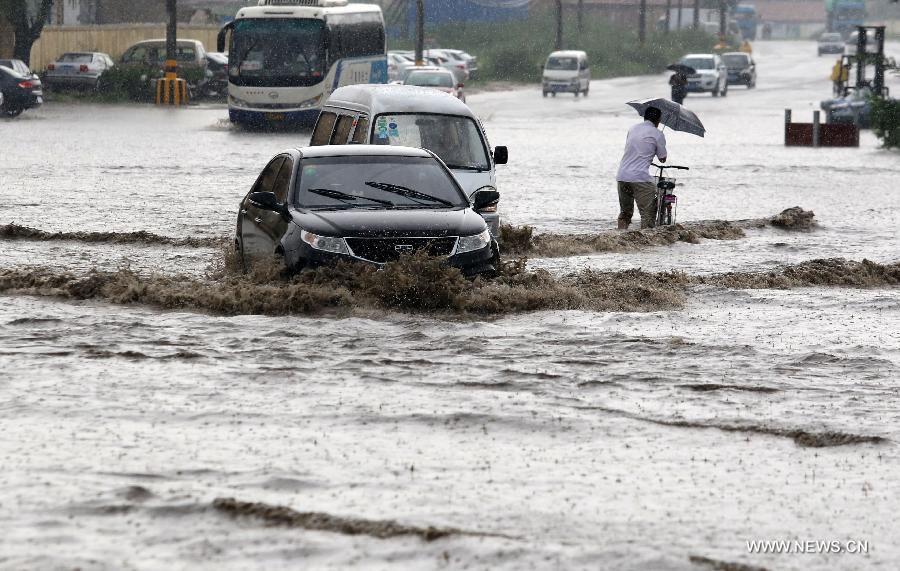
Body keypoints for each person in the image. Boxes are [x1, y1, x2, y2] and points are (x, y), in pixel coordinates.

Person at [616, 107, 667, 230]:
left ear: (644, 117)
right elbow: (662, 158)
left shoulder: (632, 129)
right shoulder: (658, 134)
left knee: (625, 213)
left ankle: (619, 237)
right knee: (647, 215)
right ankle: (646, 243)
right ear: (658, 120)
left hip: (622, 176)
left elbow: (635, 147)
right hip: (639, 178)